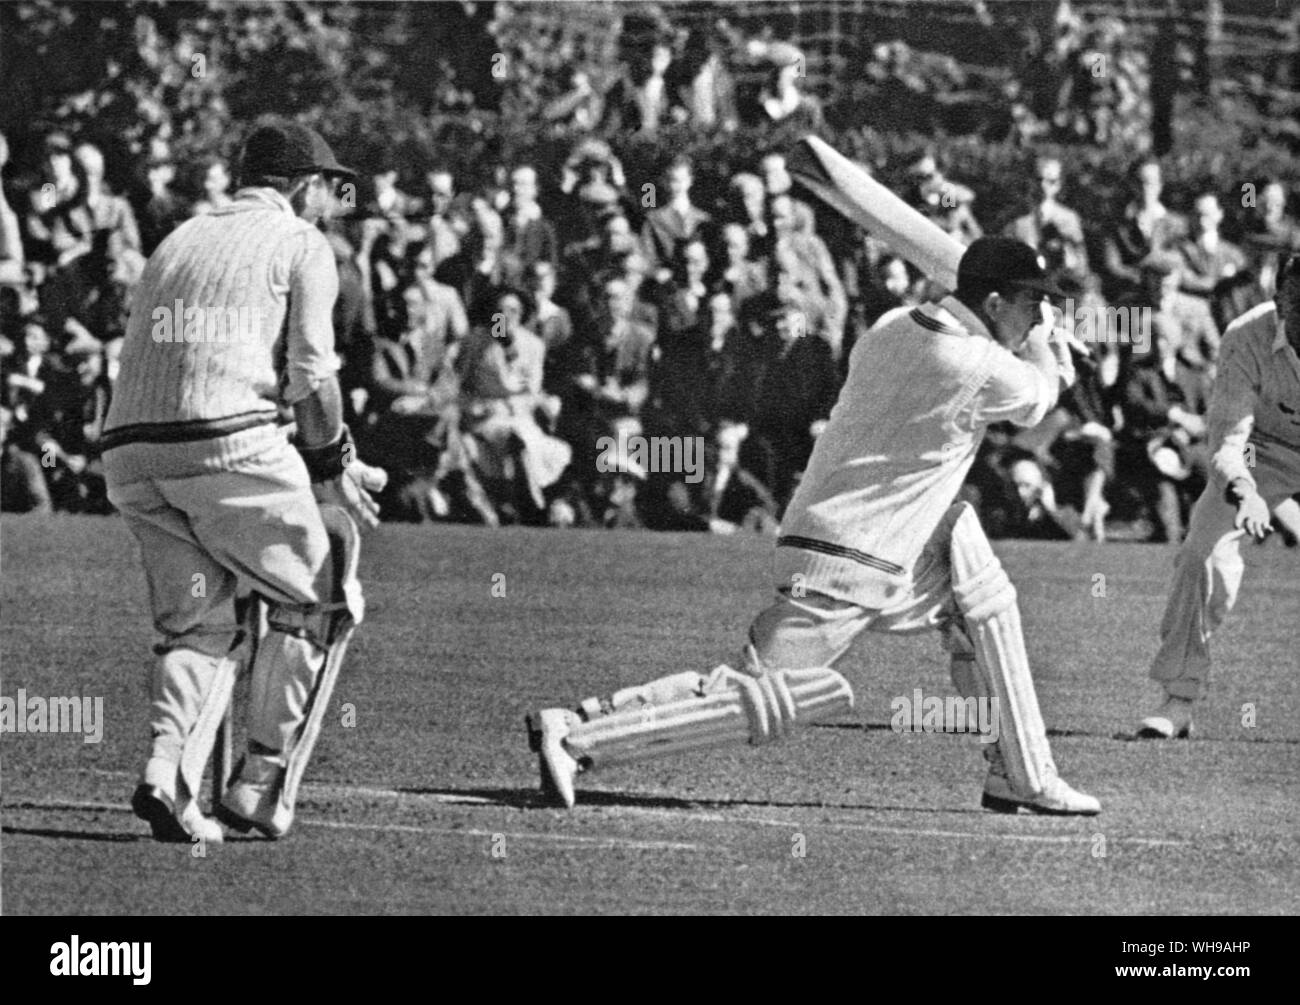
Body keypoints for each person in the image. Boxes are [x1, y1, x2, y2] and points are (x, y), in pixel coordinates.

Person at [528, 237, 1100, 816]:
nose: (1037, 314)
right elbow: (1039, 397)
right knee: (765, 694)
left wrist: (1033, 334)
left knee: (979, 581)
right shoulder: (972, 364)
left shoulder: (892, 325)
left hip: (860, 537)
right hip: (855, 557)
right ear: (997, 303)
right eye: (1032, 303)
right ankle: (579, 734)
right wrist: (1050, 343)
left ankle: (1021, 772)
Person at [101, 118, 386, 843]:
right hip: (226, 446)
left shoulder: (178, 236)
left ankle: (167, 771)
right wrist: (334, 468)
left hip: (132, 456)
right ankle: (259, 782)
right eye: (327, 185)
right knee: (321, 590)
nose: (331, 199)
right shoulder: (301, 243)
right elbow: (313, 376)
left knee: (197, 623)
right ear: (301, 183)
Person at [1136, 255, 1300, 739]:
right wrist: (1247, 492)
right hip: (1260, 453)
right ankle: (1178, 700)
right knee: (1200, 555)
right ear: (1278, 301)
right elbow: (1227, 440)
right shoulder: (1244, 338)